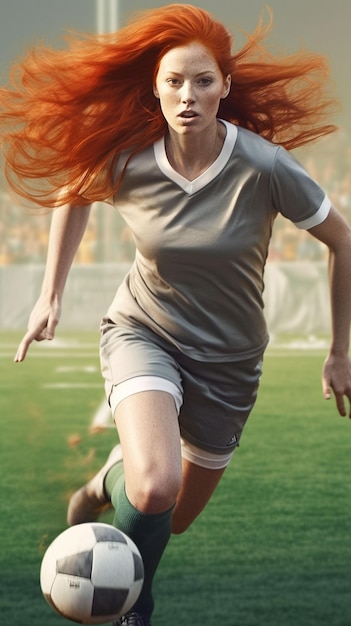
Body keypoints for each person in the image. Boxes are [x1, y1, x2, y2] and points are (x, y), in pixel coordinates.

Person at [1, 4, 351, 625]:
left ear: (225, 86)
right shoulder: (130, 159)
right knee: (156, 489)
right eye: (173, 82)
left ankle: (102, 482)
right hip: (144, 330)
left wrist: (340, 350)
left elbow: (344, 243)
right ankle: (136, 602)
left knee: (174, 516)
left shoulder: (265, 166)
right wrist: (49, 294)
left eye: (202, 81)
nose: (187, 96)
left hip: (232, 359)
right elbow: (71, 193)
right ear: (155, 88)